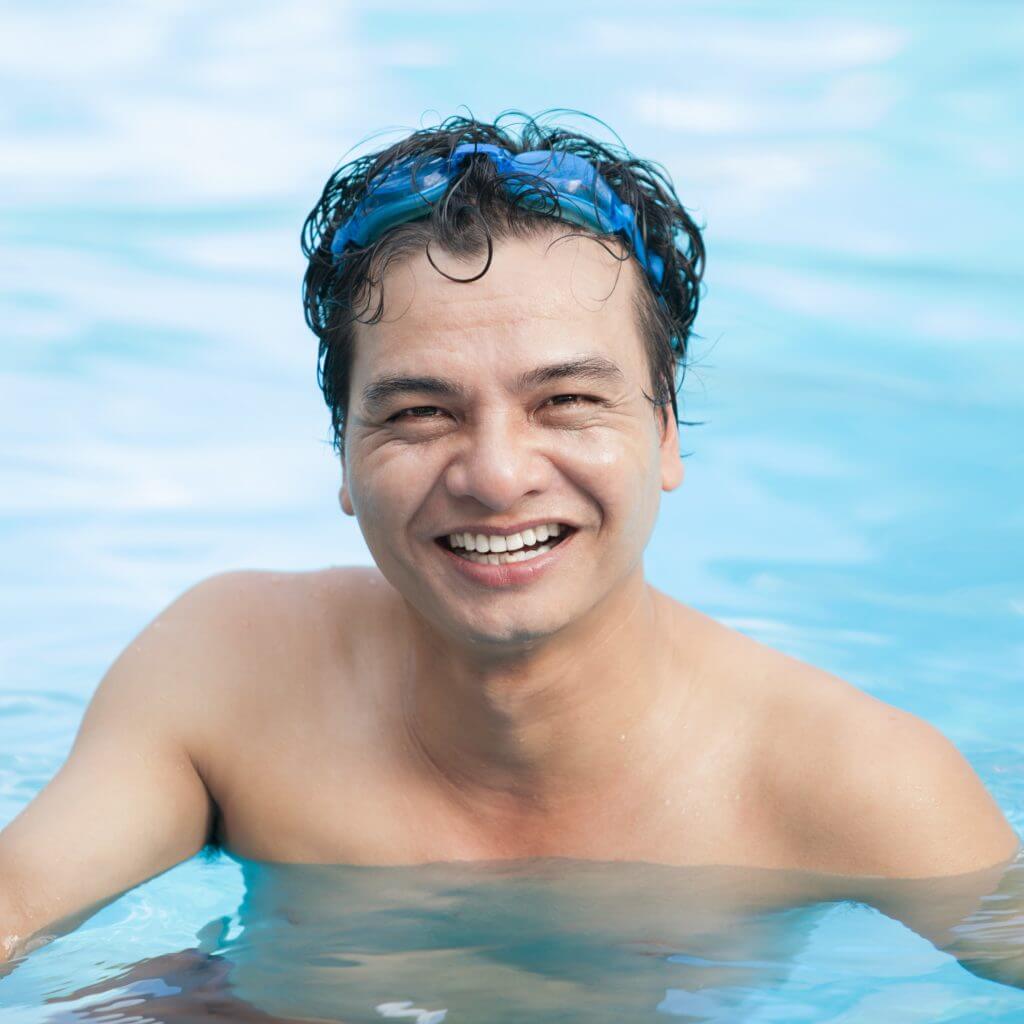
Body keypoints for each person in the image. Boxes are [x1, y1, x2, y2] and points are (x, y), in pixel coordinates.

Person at [1, 111, 1019, 981]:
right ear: (344, 456)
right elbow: (20, 902)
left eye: (567, 400)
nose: (495, 473)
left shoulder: (850, 783)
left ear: (664, 434)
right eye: (420, 412)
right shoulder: (228, 675)